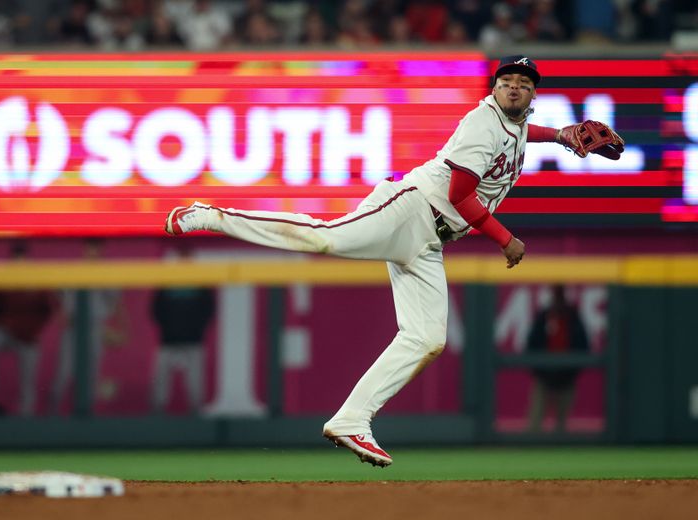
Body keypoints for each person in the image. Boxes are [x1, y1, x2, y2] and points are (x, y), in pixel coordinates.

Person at [163, 56, 623, 467]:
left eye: (524, 81)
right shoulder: (484, 123)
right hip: (412, 209)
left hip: (429, 241)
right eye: (506, 80)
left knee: (427, 338)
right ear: (493, 88)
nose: (514, 87)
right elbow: (460, 195)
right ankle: (209, 215)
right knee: (325, 239)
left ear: (533, 94)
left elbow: (523, 133)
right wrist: (505, 239)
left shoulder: (516, 123)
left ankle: (351, 420)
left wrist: (559, 136)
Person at [48, 238, 127, 414]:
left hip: (94, 328)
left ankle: (86, 416)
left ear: (100, 251)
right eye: (90, 248)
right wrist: (61, 312)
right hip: (73, 328)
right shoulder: (73, 271)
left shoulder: (107, 274)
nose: (92, 252)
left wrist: (119, 327)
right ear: (84, 250)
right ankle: (51, 416)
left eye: (96, 248)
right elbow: (56, 292)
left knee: (91, 375)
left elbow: (117, 302)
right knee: (63, 374)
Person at [0, 241, 57, 416]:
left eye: (21, 257)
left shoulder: (37, 280)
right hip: (7, 332)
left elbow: (48, 310)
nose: (18, 261)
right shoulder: (5, 279)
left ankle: (26, 420)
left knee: (28, 385)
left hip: (29, 338)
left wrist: (34, 330)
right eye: (16, 257)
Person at [149, 246, 216, 414]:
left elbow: (208, 310)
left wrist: (196, 329)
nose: (184, 261)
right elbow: (156, 310)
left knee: (195, 384)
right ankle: (157, 414)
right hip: (169, 340)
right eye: (182, 257)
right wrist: (168, 328)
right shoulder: (167, 282)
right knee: (160, 383)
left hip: (193, 340)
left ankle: (196, 417)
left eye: (188, 257)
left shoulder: (200, 283)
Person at [525, 284, 589, 433]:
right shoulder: (544, 316)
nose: (558, 299)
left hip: (566, 378)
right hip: (544, 377)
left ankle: (561, 454)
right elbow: (531, 344)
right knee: (534, 425)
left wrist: (571, 371)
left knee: (561, 426)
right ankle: (530, 451)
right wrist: (540, 370)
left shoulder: (573, 317)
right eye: (555, 295)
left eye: (560, 295)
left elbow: (583, 345)